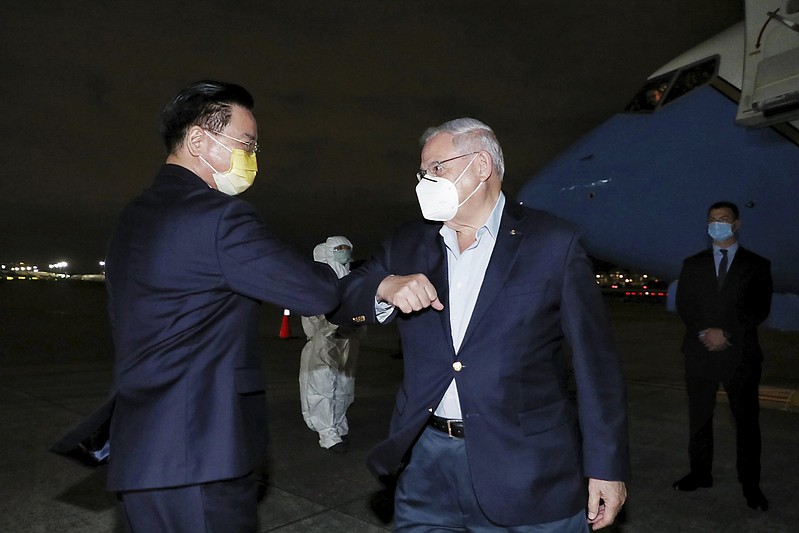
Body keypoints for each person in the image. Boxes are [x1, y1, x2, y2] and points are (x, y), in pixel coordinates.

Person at [54, 81, 339, 532]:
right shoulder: (218, 217)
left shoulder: (134, 217)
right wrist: (356, 274)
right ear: (198, 141)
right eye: (247, 144)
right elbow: (316, 293)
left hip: (142, 452)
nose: (253, 156)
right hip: (200, 458)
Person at [329, 118, 629, 531]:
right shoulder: (407, 243)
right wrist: (383, 286)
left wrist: (606, 466)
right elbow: (339, 300)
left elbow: (597, 366)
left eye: (437, 168)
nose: (424, 182)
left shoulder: (553, 243)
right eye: (422, 172)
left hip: (528, 468)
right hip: (425, 463)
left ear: (481, 165)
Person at [673, 201, 772, 512]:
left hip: (740, 354)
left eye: (724, 219)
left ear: (736, 224)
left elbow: (759, 308)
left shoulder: (757, 265)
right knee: (699, 419)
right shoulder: (693, 264)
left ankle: (751, 485)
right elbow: (685, 304)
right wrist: (706, 331)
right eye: (713, 219)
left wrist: (726, 333)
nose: (718, 224)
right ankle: (700, 473)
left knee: (746, 422)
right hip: (699, 353)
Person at [299, 236, 363, 453]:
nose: (344, 252)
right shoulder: (317, 280)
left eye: (347, 248)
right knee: (322, 388)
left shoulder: (350, 278)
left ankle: (338, 424)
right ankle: (327, 434)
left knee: (345, 386)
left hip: (347, 339)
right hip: (324, 341)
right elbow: (316, 314)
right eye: (339, 249)